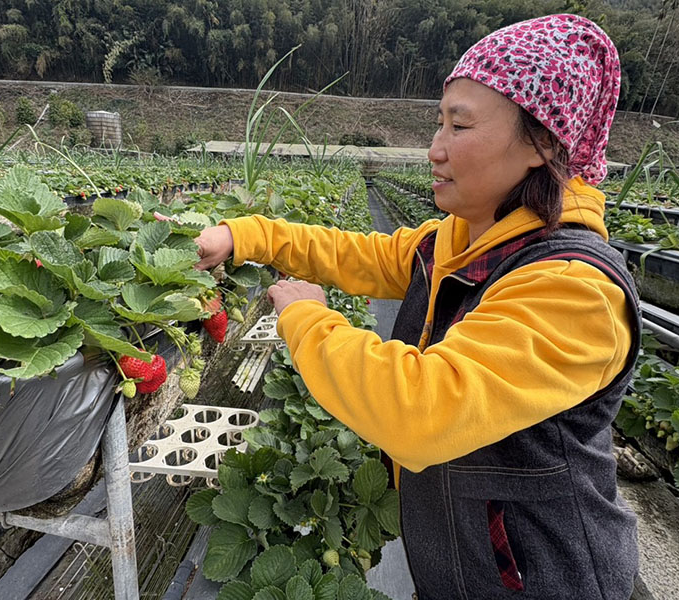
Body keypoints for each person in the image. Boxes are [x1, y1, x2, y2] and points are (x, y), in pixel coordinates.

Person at [194, 14, 640, 600]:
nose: (434, 149)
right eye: (439, 122)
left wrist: (306, 317)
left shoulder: (574, 289)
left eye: (460, 125)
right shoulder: (458, 239)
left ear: (543, 143)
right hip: (461, 563)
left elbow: (421, 411)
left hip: (541, 579)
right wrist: (242, 234)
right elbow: (358, 254)